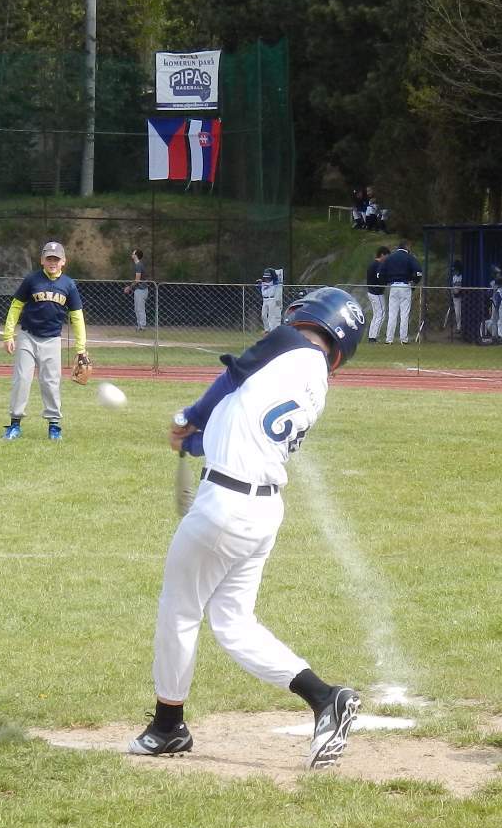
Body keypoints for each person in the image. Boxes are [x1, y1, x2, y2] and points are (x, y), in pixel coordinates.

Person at [127, 286, 368, 768]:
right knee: (234, 623)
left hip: (224, 506)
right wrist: (194, 440)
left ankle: (168, 726)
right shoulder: (313, 379)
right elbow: (240, 417)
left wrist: (187, 417)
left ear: (309, 315)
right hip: (261, 511)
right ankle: (325, 698)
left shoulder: (288, 342)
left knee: (179, 612)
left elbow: (230, 378)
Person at [0, 240, 85, 441]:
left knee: (51, 382)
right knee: (22, 379)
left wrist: (81, 348)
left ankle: (54, 425)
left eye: (56, 259)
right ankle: (15, 424)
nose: (52, 262)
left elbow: (77, 316)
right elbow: (16, 306)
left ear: (63, 261)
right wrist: (8, 334)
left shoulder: (68, 284)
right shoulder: (32, 280)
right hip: (28, 336)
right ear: (42, 260)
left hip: (52, 340)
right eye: (49, 259)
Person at [381, 239, 422, 343]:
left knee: (392, 314)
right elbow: (418, 272)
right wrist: (414, 282)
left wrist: (387, 281)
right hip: (405, 286)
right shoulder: (409, 257)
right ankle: (403, 339)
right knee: (404, 313)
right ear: (407, 247)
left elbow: (381, 272)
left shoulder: (390, 257)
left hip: (393, 286)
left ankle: (389, 339)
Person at [364, 246, 389, 343]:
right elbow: (380, 277)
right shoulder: (378, 265)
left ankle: (372, 335)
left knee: (376, 314)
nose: (387, 258)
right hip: (376, 292)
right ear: (382, 255)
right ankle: (373, 337)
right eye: (386, 256)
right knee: (381, 314)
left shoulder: (372, 264)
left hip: (371, 291)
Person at [125, 247, 148, 330]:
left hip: (141, 290)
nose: (132, 254)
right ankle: (140, 326)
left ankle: (142, 326)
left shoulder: (138, 265)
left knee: (140, 308)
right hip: (139, 290)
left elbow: (137, 280)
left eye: (133, 253)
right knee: (137, 308)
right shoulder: (138, 265)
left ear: (136, 256)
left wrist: (129, 287)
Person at [258, 267, 283, 332]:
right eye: (266, 277)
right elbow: (260, 290)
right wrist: (259, 284)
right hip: (265, 300)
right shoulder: (263, 283)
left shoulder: (274, 282)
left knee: (271, 316)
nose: (267, 279)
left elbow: (275, 277)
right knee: (263, 315)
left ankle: (271, 330)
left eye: (268, 277)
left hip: (271, 299)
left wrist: (270, 270)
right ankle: (267, 328)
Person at [444, 259, 464, 333]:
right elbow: (451, 287)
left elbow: (460, 288)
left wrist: (457, 290)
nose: (455, 271)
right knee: (457, 312)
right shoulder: (453, 277)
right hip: (455, 297)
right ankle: (458, 327)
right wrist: (452, 291)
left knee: (460, 312)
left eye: (456, 269)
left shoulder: (462, 276)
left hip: (462, 297)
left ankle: (460, 327)